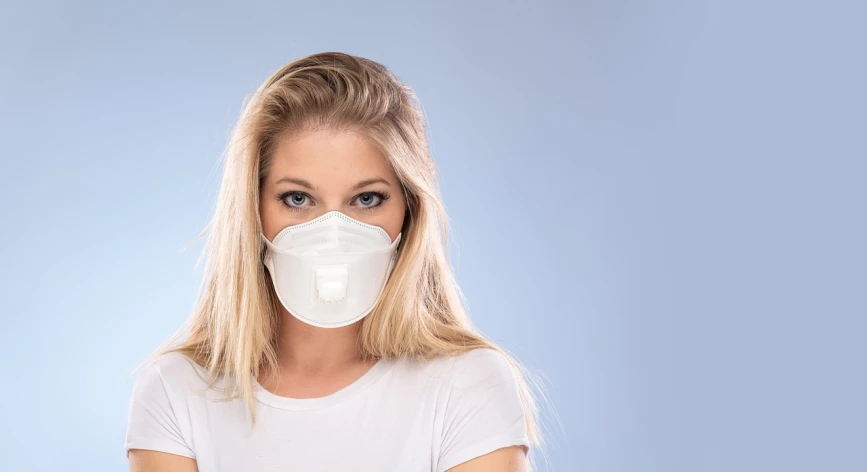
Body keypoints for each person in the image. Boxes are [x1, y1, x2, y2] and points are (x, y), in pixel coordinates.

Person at [125, 51, 542, 472]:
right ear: (252, 211)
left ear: (409, 211)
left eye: (365, 199)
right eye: (298, 199)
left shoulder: (468, 387)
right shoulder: (176, 390)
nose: (332, 234)